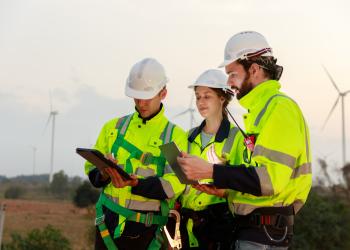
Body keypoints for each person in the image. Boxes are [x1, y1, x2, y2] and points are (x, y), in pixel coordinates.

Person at [178, 31, 312, 249]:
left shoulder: (279, 108)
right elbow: (255, 176)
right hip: (252, 232)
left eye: (232, 74)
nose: (229, 82)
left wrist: (210, 171)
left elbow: (270, 180)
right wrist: (226, 190)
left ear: (255, 69)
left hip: (264, 234)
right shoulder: (258, 113)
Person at [85, 58, 187, 250]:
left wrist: (137, 184)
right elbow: (91, 170)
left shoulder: (174, 137)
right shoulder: (113, 128)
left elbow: (176, 184)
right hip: (107, 224)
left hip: (147, 230)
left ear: (163, 93)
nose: (141, 103)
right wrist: (103, 173)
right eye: (136, 97)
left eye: (147, 97)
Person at [178, 69, 245, 249]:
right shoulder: (188, 137)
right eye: (198, 97)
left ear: (222, 98)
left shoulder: (237, 138)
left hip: (219, 229)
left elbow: (245, 184)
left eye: (207, 96)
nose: (200, 102)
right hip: (186, 226)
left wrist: (223, 189)